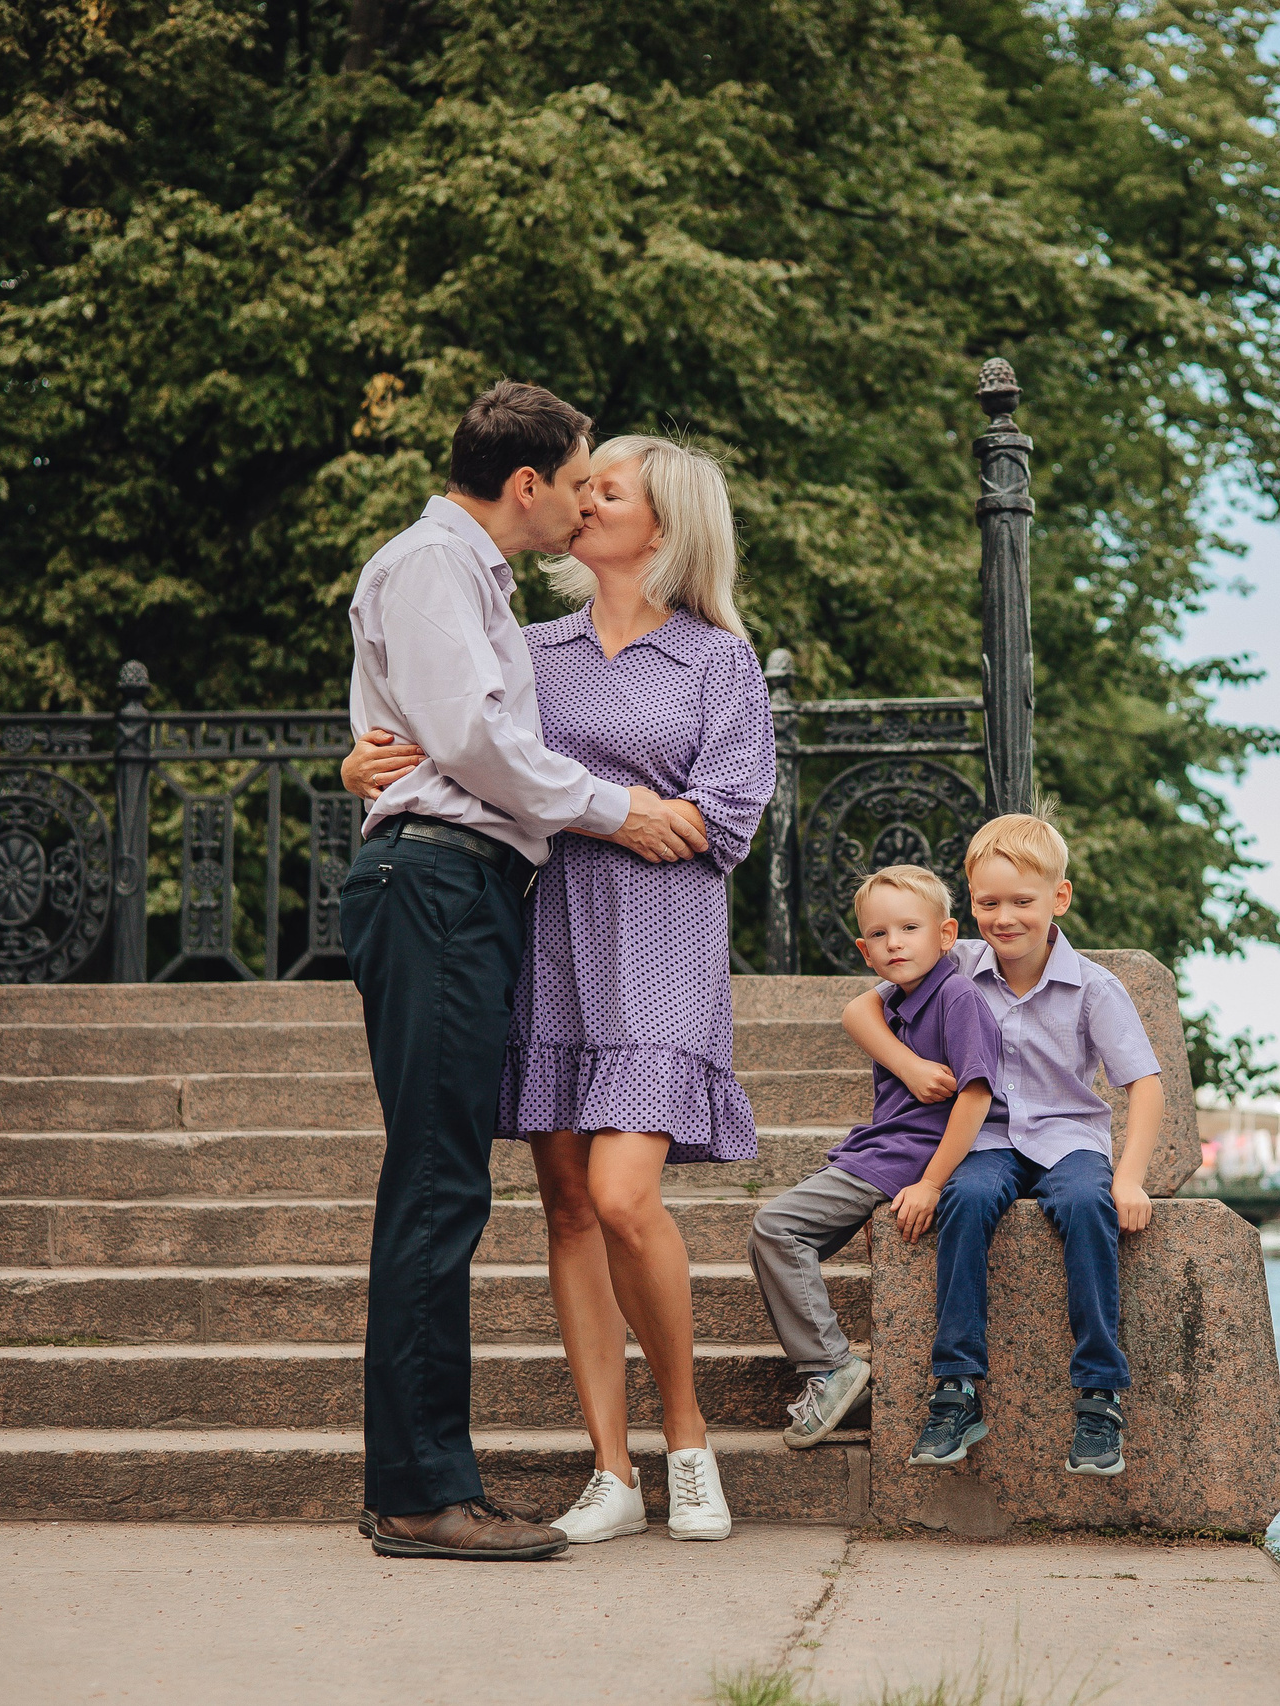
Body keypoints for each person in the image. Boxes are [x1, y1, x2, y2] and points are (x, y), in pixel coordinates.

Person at [344, 435, 774, 1544]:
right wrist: (360, 761)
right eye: (585, 486)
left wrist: (615, 811)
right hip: (545, 930)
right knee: (570, 1206)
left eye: (608, 491)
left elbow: (725, 814)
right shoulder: (532, 647)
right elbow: (460, 742)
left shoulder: (720, 660)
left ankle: (687, 1441)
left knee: (625, 1196)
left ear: (665, 527)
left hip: (661, 940)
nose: (585, 504)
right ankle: (610, 1470)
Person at [838, 813, 1164, 1478]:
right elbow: (861, 1009)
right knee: (963, 1199)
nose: (1005, 918)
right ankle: (956, 1388)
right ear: (970, 905)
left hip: (1069, 1139)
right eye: (989, 903)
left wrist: (1129, 1177)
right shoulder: (954, 963)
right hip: (985, 1139)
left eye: (1022, 902)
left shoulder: (1094, 987)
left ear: (1058, 899)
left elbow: (1146, 1086)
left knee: (1087, 1205)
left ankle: (1100, 1396)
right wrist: (907, 1065)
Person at [749, 866, 1001, 1449]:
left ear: (946, 935)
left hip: (903, 1158)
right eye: (880, 935)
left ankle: (832, 1368)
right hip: (878, 1148)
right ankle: (839, 1378)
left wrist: (932, 1183)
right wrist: (909, 1067)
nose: (895, 944)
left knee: (777, 1227)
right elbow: (856, 1012)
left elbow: (976, 1097)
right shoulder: (895, 1000)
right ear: (864, 951)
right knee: (780, 1235)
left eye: (910, 928)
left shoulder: (958, 997)